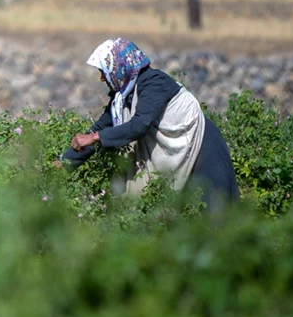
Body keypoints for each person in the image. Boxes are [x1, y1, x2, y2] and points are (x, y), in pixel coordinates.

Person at [55, 37, 239, 211]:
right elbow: (102, 128)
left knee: (213, 218)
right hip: (180, 154)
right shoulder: (122, 97)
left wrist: (95, 137)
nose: (102, 78)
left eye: (104, 71)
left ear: (118, 67)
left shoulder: (154, 83)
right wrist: (63, 163)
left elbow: (139, 125)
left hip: (202, 150)